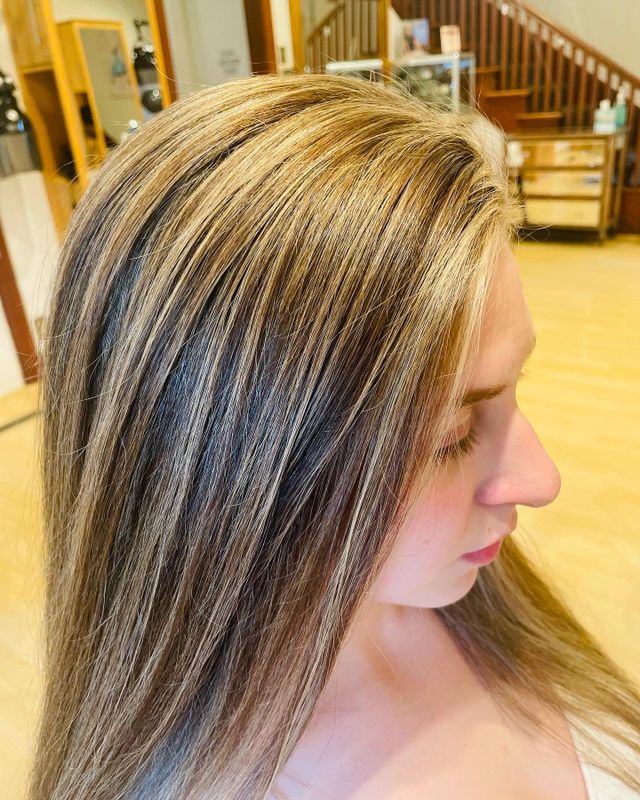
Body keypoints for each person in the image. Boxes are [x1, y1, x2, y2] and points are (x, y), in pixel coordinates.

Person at [31, 73, 639, 800]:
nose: (543, 479)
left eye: (516, 386)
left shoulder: (470, 591)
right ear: (232, 479)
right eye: (450, 435)